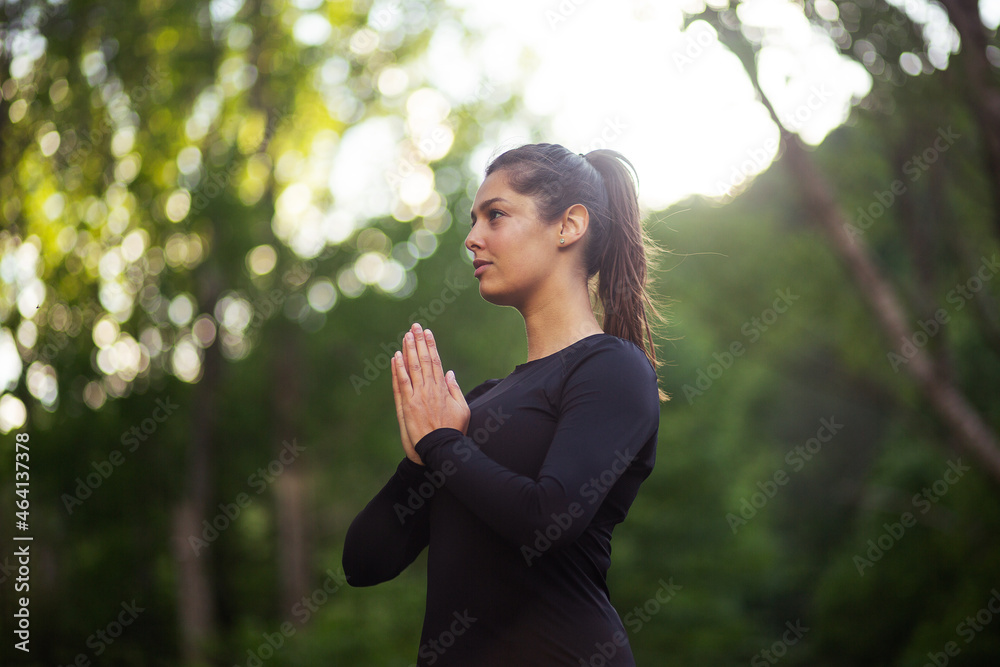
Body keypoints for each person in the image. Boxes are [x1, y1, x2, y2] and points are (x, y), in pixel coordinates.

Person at [342, 143, 668, 666]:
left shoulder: (613, 368)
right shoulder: (476, 406)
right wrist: (419, 461)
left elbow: (549, 519)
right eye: (473, 221)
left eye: (496, 215)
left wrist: (443, 443)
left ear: (568, 226)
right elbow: (364, 562)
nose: (472, 238)